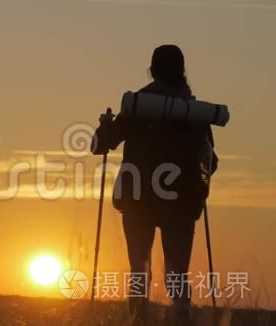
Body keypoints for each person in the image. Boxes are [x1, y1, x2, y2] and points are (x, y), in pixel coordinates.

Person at [91, 45, 218, 325]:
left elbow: (99, 146)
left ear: (152, 69)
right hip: (182, 205)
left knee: (139, 271)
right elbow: (211, 161)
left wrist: (105, 124)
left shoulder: (137, 105)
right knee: (177, 274)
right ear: (182, 70)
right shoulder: (194, 112)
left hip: (138, 200)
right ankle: (181, 318)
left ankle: (138, 320)